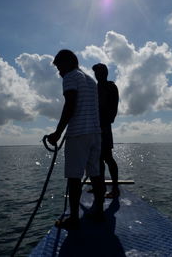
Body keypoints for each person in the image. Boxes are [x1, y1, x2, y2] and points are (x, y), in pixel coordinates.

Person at [47, 50, 105, 230]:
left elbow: (70, 104)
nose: (59, 72)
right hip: (96, 133)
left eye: (59, 67)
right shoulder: (90, 80)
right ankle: (99, 211)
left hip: (78, 133)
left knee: (73, 177)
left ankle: (73, 218)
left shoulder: (71, 77)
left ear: (67, 63)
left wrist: (57, 132)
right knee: (95, 173)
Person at [92, 63, 120, 198]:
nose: (97, 75)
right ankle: (100, 187)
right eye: (96, 73)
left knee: (108, 157)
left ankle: (115, 189)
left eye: (99, 72)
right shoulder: (95, 88)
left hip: (104, 127)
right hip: (95, 128)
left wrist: (107, 120)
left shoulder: (110, 87)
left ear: (105, 73)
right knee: (98, 159)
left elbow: (113, 107)